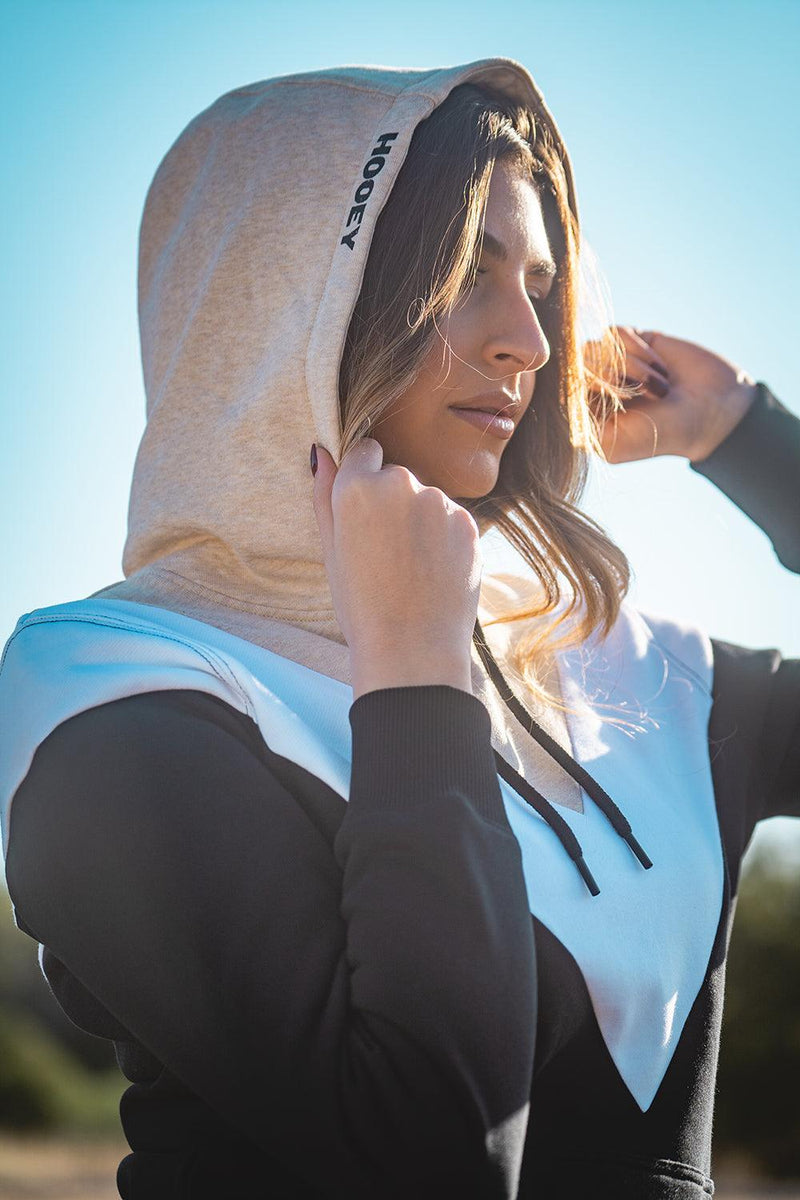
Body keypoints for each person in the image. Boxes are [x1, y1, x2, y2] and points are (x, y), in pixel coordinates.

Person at [0, 57, 797, 1200]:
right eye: (465, 273)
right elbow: (434, 1163)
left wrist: (743, 433)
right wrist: (417, 677)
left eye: (540, 282)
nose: (527, 339)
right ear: (278, 304)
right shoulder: (107, 691)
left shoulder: (623, 664)